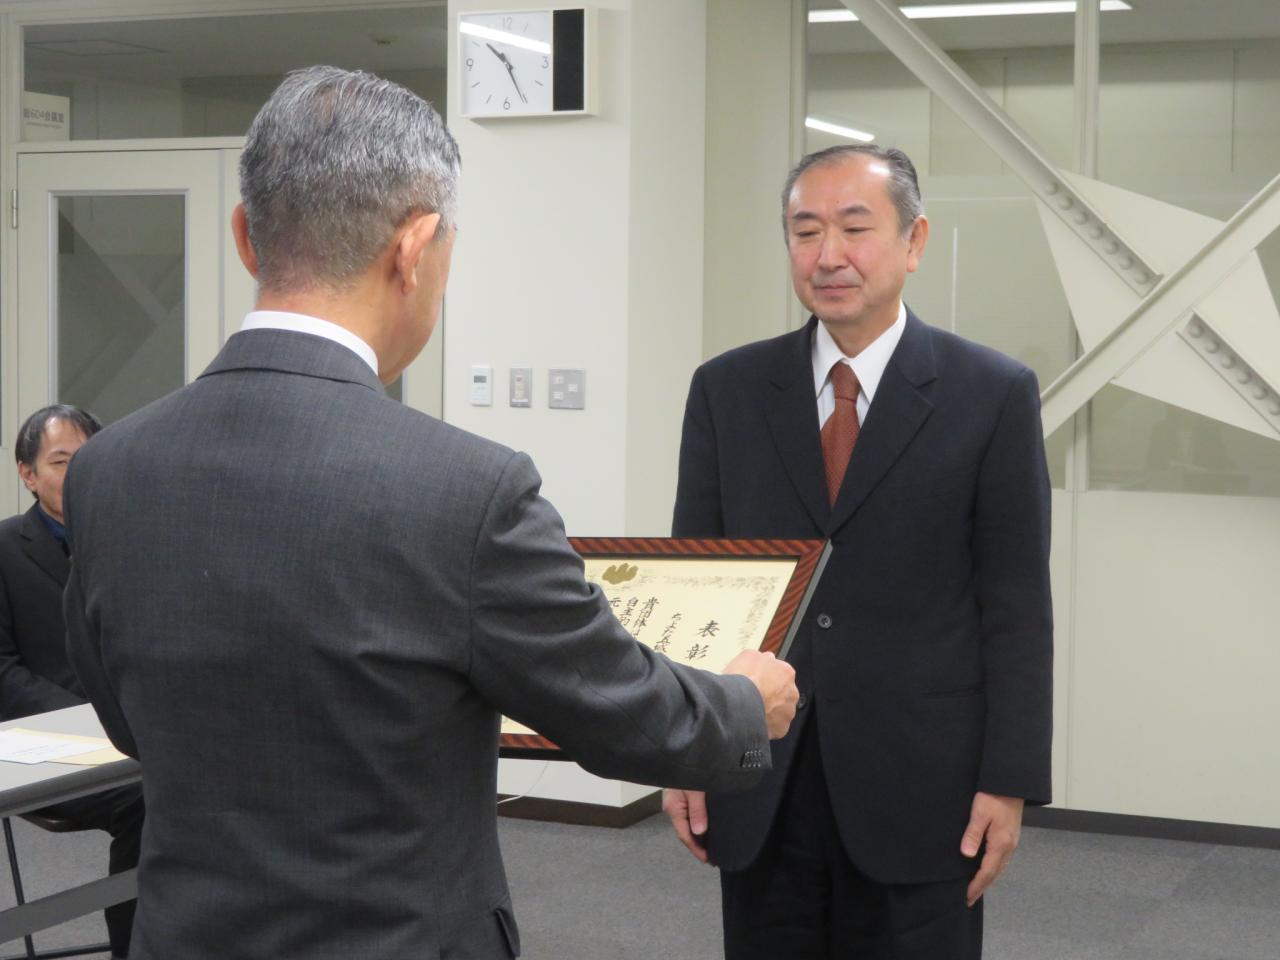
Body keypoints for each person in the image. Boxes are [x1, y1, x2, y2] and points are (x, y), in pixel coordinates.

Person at [60, 66, 796, 960]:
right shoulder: (466, 491)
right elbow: (624, 712)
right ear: (414, 248)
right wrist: (744, 702)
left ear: (246, 238)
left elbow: (127, 716)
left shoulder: (109, 470)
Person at [663, 144, 1053, 959]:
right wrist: (682, 746)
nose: (828, 255)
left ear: (914, 242)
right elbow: (694, 585)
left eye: (854, 228)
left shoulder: (992, 394)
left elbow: (1015, 603)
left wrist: (1008, 780)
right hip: (761, 772)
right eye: (805, 231)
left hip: (926, 785)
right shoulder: (727, 390)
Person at [0, 404, 142, 959]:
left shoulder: (131, 544)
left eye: (90, 459)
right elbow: (3, 672)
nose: (78, 472)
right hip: (47, 744)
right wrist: (92, 721)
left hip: (137, 731)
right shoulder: (5, 548)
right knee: (150, 799)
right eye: (61, 461)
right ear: (27, 474)